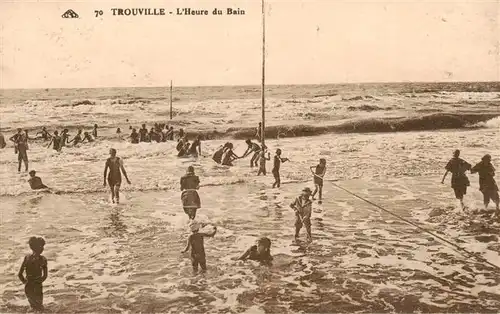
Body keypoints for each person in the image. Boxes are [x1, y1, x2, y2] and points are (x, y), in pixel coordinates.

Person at [18, 237, 48, 312]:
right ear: (34, 247)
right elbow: (45, 275)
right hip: (36, 285)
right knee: (39, 308)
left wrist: (26, 282)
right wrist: (39, 281)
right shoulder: (42, 259)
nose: (42, 248)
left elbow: (20, 274)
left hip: (30, 285)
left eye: (42, 246)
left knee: (34, 307)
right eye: (41, 246)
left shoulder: (27, 257)